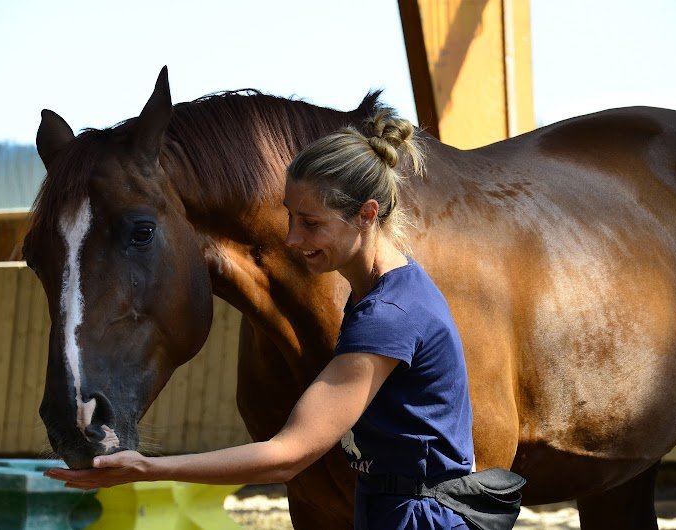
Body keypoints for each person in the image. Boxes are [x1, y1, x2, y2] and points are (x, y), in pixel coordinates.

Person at [45, 109, 478, 529]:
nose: (292, 238)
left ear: (366, 215)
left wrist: (146, 468)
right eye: (289, 215)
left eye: (310, 223)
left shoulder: (389, 316)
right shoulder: (388, 289)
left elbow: (289, 455)